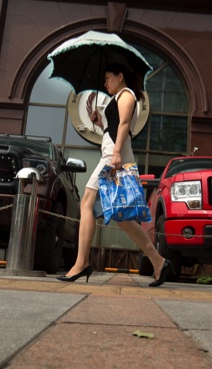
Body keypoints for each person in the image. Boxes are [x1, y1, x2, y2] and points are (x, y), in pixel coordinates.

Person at [57, 63, 173, 287]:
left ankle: (81, 263)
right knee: (124, 219)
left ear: (121, 76)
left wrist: (117, 154)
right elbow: (115, 128)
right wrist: (100, 123)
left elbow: (126, 125)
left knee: (87, 205)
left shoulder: (127, 94)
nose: (105, 82)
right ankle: (159, 262)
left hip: (112, 157)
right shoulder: (119, 97)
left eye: (108, 78)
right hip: (112, 154)